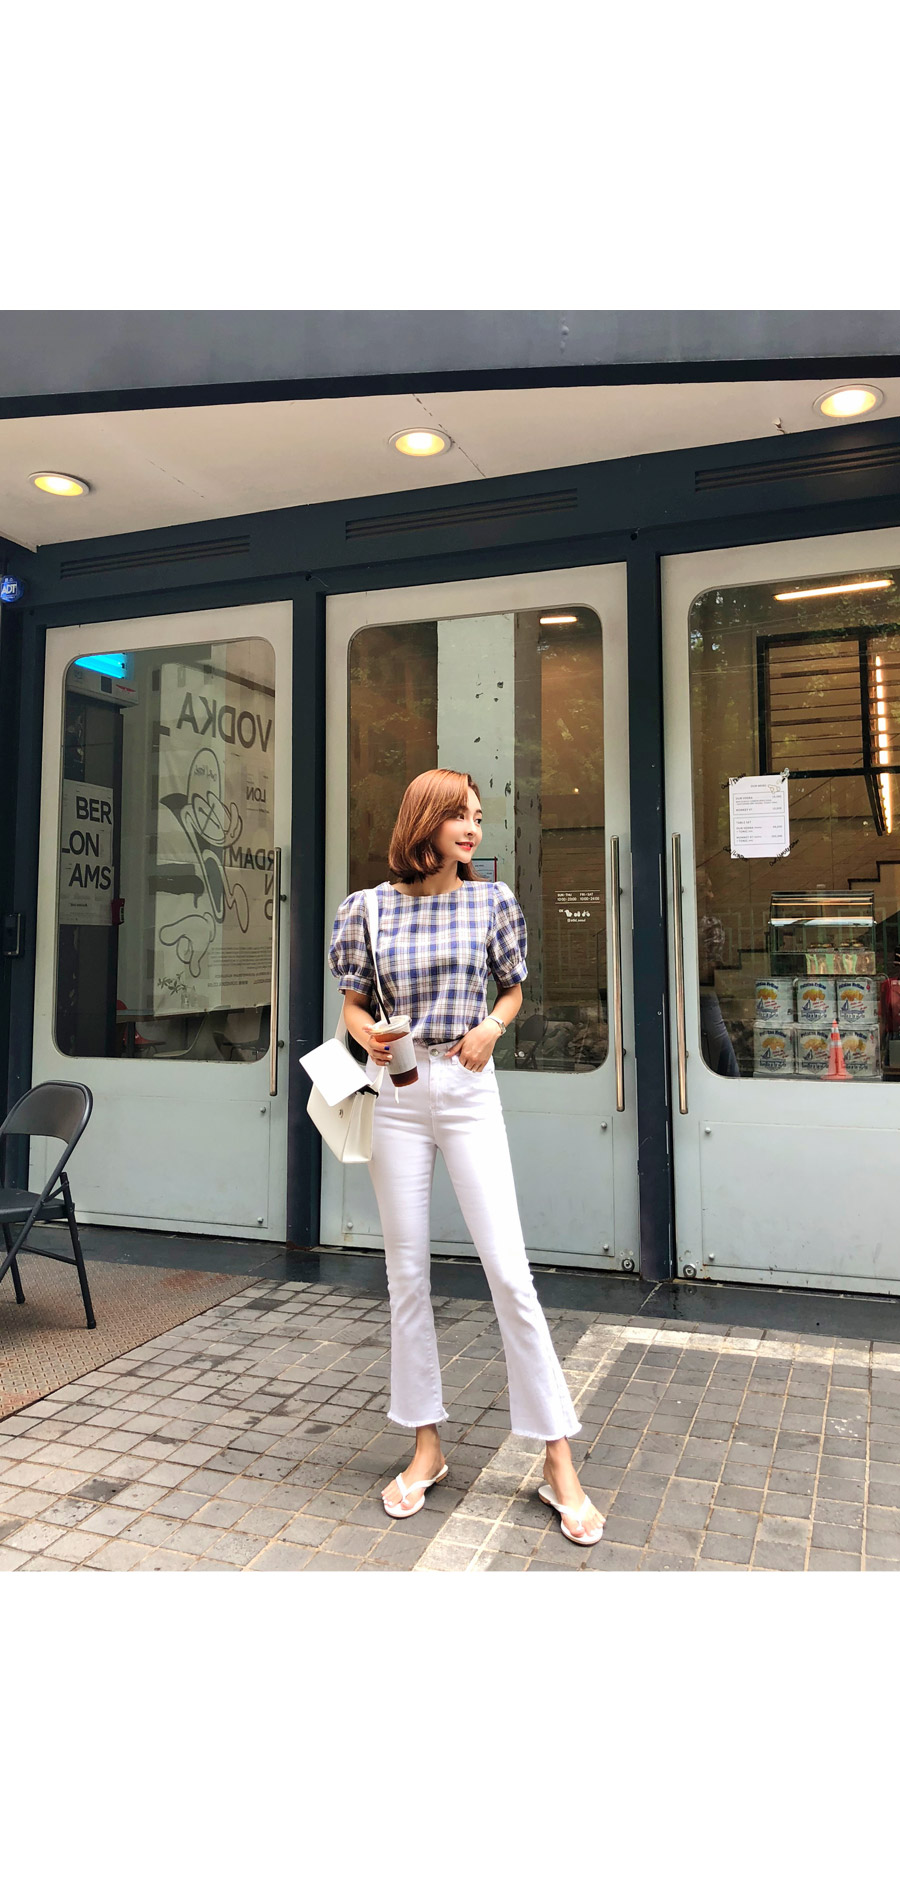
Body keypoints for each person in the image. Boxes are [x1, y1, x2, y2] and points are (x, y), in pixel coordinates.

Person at [328, 768, 604, 1546]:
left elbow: (512, 988)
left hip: (467, 1085)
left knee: (509, 1273)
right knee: (405, 1274)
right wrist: (364, 1033)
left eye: (479, 816)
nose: (474, 828)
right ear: (425, 821)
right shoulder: (366, 909)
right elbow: (352, 1003)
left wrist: (492, 1026)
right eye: (460, 815)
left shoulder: (492, 901)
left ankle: (557, 1457)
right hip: (396, 1090)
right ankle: (426, 1447)